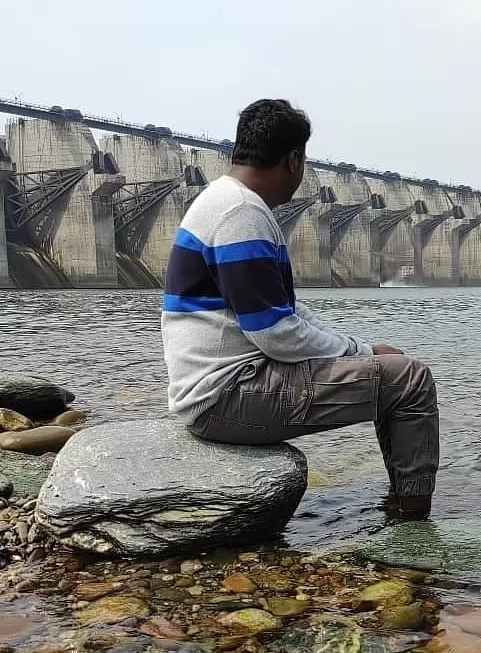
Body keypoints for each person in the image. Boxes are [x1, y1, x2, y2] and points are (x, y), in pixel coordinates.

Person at [160, 98, 439, 520]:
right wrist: (361, 353)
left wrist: (363, 349)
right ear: (293, 159)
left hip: (223, 390)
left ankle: (399, 503)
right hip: (227, 399)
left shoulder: (228, 202)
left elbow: (285, 313)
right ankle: (413, 523)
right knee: (410, 381)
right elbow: (276, 333)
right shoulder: (240, 215)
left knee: (391, 370)